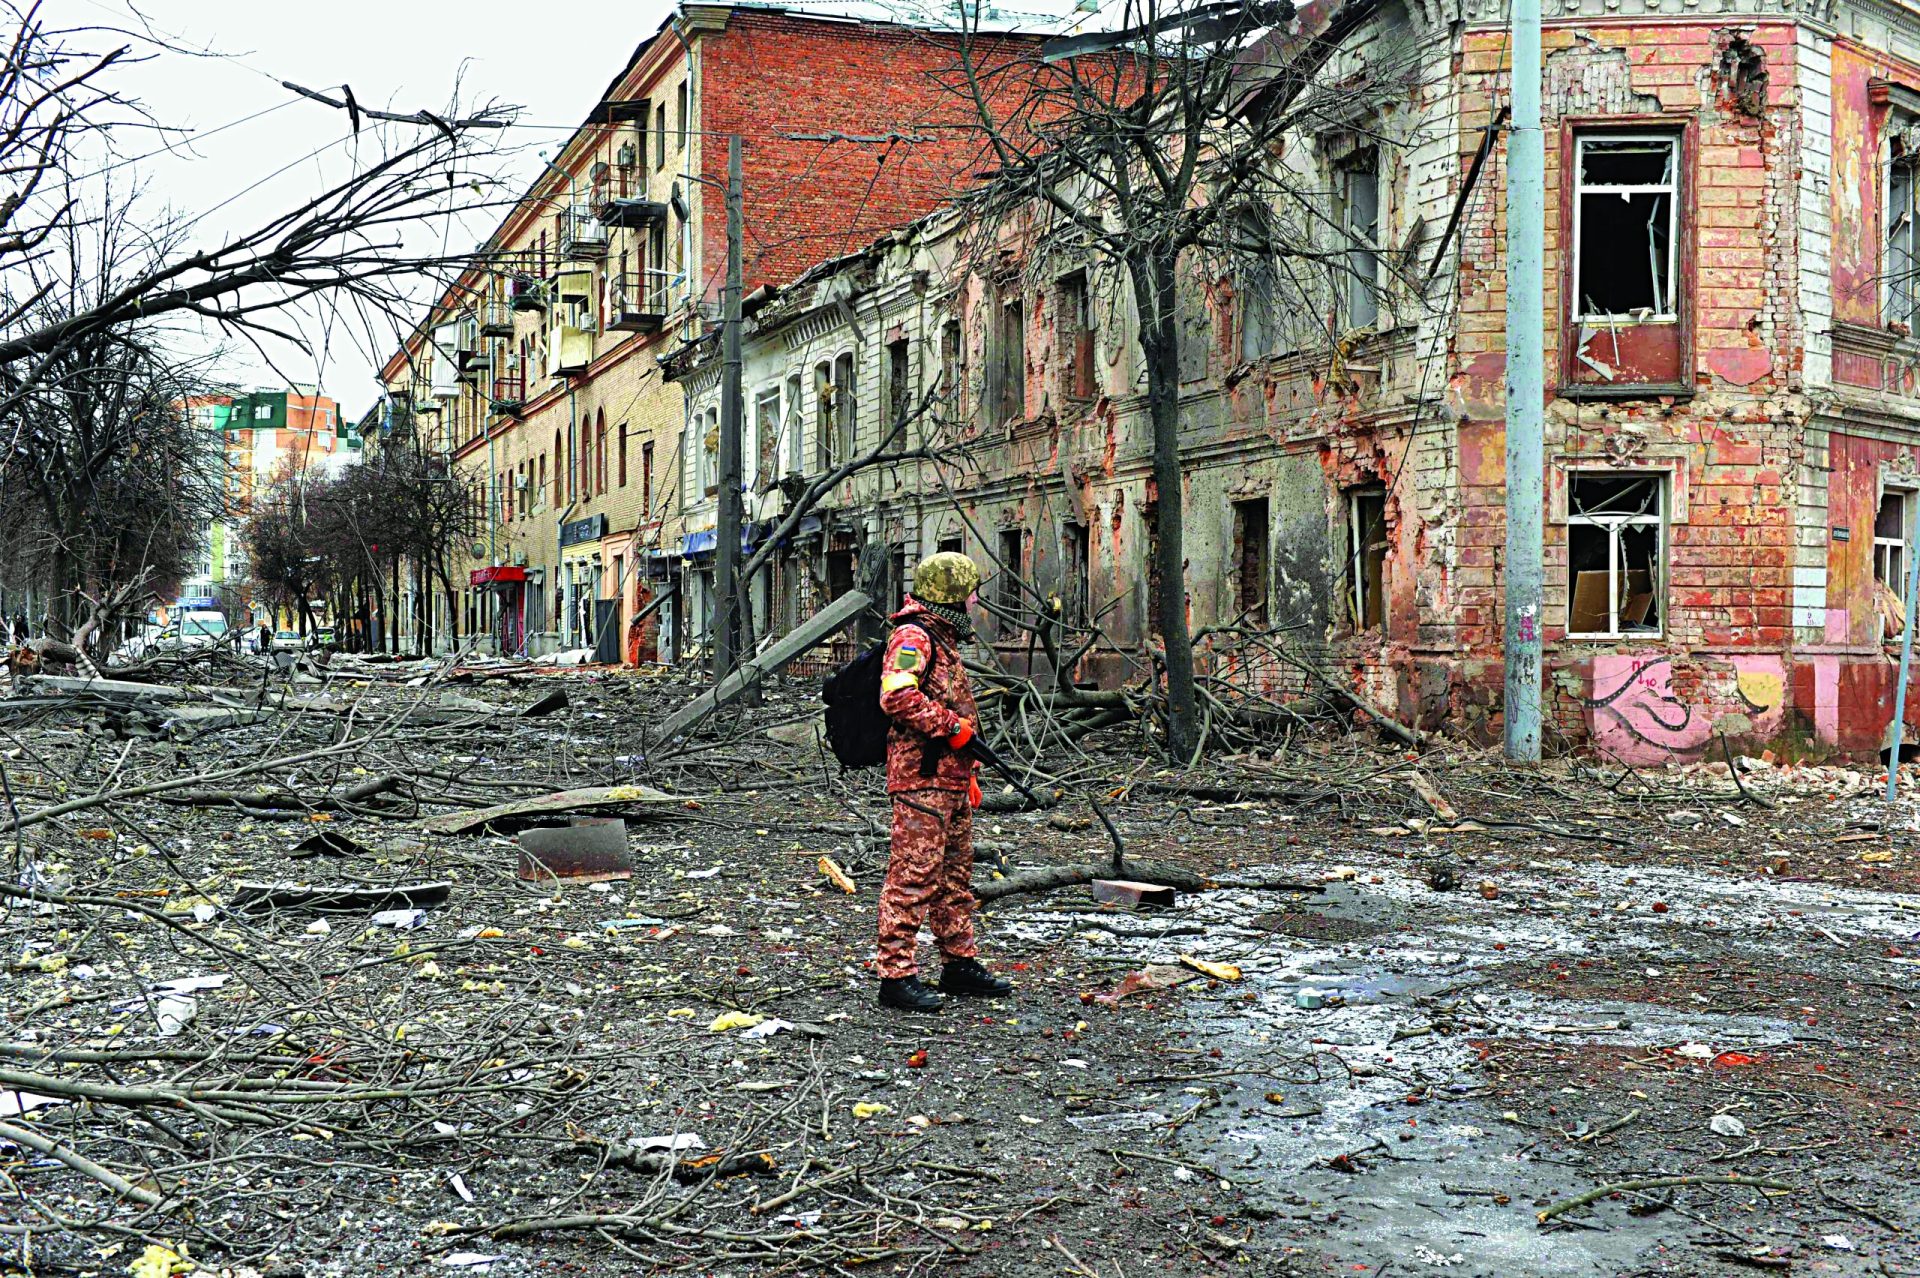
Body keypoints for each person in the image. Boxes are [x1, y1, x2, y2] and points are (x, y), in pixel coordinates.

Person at [873, 551, 1013, 1013]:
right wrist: (952, 729)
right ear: (951, 593)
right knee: (912, 878)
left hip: (949, 780)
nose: (975, 600)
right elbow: (896, 697)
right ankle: (895, 977)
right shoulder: (913, 636)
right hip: (921, 781)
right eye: (969, 591)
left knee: (954, 878)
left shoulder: (943, 637)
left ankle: (959, 963)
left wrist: (967, 770)